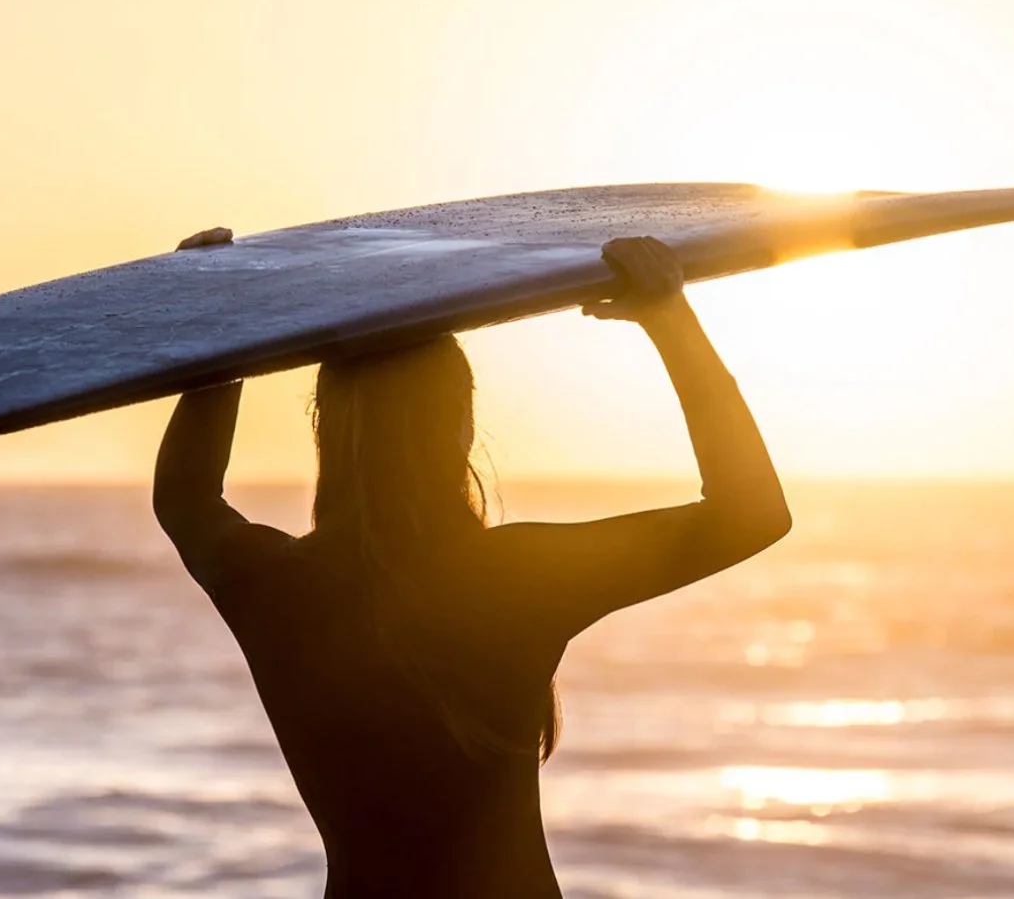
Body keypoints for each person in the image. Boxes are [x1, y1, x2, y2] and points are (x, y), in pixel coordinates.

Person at [152, 233, 792, 898]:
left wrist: (218, 325)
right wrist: (668, 318)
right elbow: (751, 513)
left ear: (325, 427)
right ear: (462, 424)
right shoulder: (513, 578)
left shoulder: (274, 586)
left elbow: (186, 499)